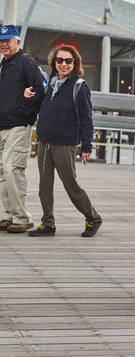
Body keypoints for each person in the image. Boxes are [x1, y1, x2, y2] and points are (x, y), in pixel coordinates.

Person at [25, 45, 102, 237]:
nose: (64, 64)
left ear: (75, 63)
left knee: (71, 185)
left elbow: (86, 118)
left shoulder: (79, 86)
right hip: (45, 142)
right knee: (44, 186)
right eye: (60, 60)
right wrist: (27, 97)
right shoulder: (50, 84)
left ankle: (93, 218)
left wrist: (86, 146)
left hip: (65, 144)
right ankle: (47, 223)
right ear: (54, 63)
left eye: (68, 61)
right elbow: (40, 107)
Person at [0, 25, 45, 233]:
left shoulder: (25, 62)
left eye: (8, 40)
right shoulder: (5, 64)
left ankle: (22, 217)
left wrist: (22, 108)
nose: (4, 44)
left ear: (17, 42)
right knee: (2, 172)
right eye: (1, 41)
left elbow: (39, 89)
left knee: (13, 170)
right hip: (2, 126)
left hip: (18, 125)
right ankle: (9, 215)